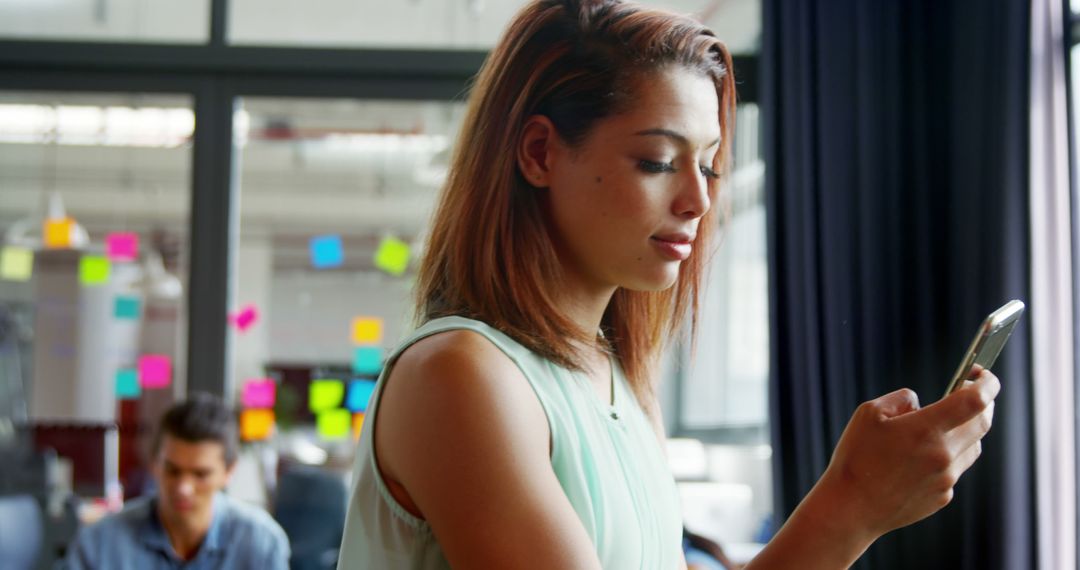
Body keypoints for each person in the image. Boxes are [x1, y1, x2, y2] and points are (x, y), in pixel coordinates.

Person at [336, 1, 1000, 568]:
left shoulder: (619, 376)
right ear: (539, 154)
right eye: (657, 160)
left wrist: (863, 504)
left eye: (708, 167)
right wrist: (852, 503)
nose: (697, 201)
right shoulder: (459, 376)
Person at [65, 393, 290, 569]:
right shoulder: (100, 543)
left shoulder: (261, 542)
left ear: (228, 471)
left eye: (200, 474)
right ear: (154, 464)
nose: (183, 488)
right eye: (172, 470)